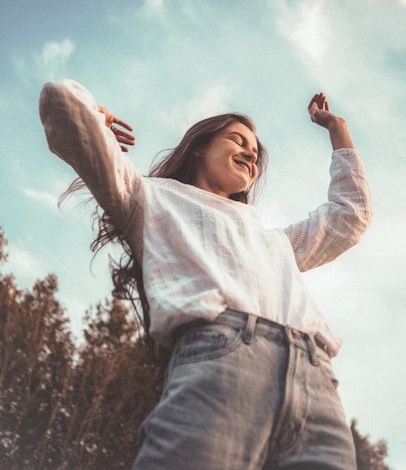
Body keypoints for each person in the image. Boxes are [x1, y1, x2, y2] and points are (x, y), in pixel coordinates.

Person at [39, 80, 373, 470]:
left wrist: (337, 128)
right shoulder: (149, 197)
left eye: (256, 152)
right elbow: (60, 104)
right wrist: (95, 119)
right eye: (238, 140)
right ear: (199, 146)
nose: (251, 153)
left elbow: (350, 217)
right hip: (219, 367)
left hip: (317, 385)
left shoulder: (277, 243)